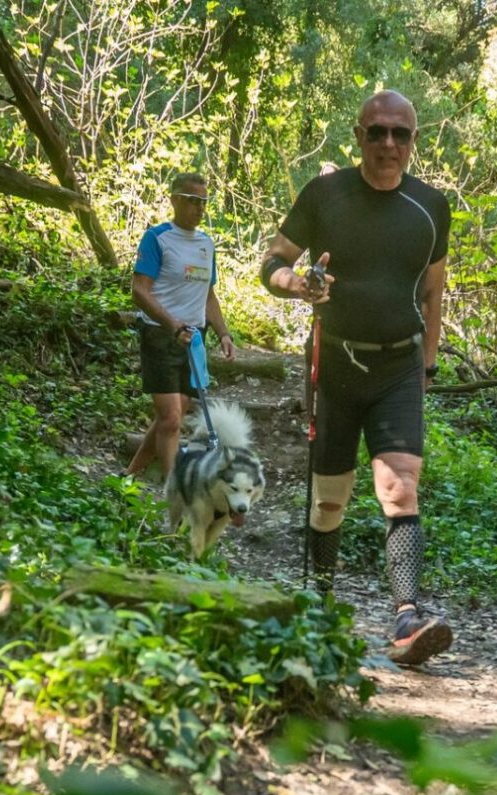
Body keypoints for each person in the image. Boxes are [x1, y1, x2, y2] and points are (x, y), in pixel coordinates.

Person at [259, 91, 453, 666]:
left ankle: (406, 617)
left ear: (414, 141)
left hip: (399, 365)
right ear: (359, 135)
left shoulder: (431, 207)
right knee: (329, 501)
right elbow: (272, 264)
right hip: (336, 362)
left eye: (401, 134)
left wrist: (429, 366)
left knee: (400, 488)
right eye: (377, 133)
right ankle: (320, 600)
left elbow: (433, 289)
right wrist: (297, 285)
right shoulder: (325, 194)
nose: (388, 144)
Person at [128, 172, 234, 479]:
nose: (199, 209)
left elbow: (208, 295)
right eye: (192, 201)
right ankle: (175, 494)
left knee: (170, 418)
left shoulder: (206, 244)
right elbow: (139, 290)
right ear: (174, 199)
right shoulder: (157, 238)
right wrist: (172, 324)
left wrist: (224, 333)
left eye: (204, 202)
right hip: (160, 335)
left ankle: (130, 473)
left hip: (194, 340)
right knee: (172, 418)